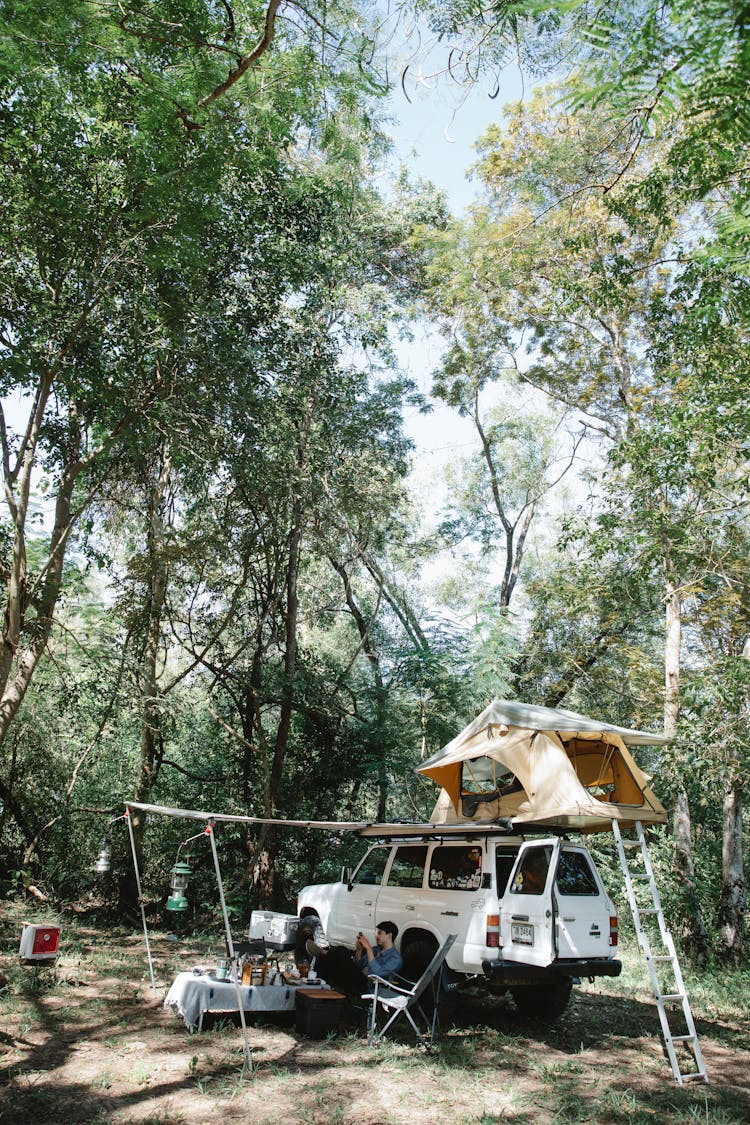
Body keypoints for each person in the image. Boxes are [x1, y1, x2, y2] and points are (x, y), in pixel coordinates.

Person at [306, 921, 403, 996]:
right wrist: (360, 950)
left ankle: (322, 952)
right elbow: (358, 966)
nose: (376, 936)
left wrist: (368, 948)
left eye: (380, 933)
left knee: (341, 951)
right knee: (325, 959)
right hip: (356, 977)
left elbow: (377, 974)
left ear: (389, 935)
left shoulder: (395, 958)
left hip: (367, 985)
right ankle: (316, 989)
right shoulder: (376, 949)